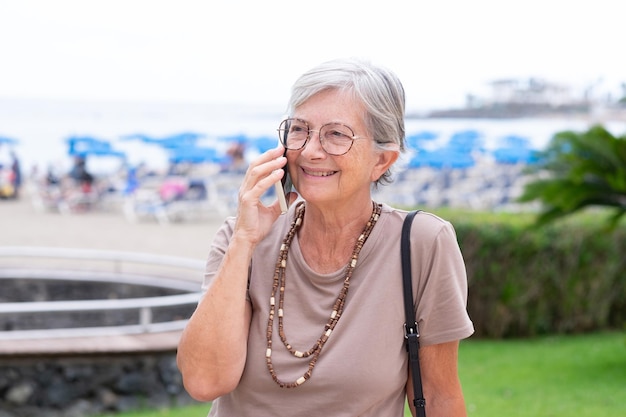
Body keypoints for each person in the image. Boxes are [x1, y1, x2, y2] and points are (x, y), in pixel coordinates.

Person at [177, 58, 474, 416]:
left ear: (382, 161)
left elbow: (440, 398)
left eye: (336, 134)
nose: (310, 150)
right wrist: (243, 243)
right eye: (299, 129)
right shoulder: (242, 238)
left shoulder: (421, 244)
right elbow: (204, 381)